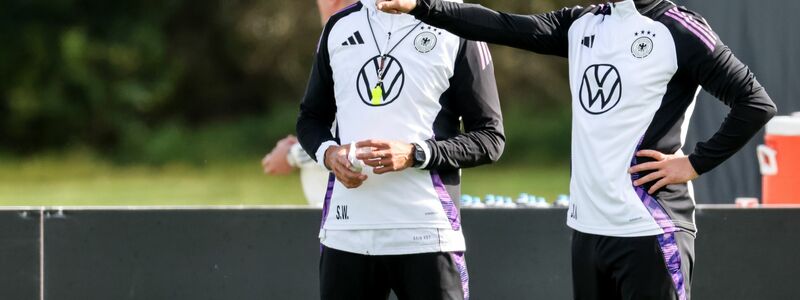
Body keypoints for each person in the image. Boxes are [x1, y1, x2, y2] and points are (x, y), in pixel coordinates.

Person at [375, 0, 776, 299]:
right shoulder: (583, 22)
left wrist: (693, 163)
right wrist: (420, 7)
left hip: (651, 228)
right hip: (588, 232)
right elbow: (503, 26)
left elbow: (755, 103)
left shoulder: (678, 28)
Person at [296, 0, 505, 298]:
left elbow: (489, 138)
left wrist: (415, 154)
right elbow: (310, 118)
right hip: (346, 235)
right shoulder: (338, 25)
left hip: (428, 236)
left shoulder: (459, 25)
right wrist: (330, 154)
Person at [261, 0, 359, 207]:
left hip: (355, 211)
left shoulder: (357, 49)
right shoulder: (334, 42)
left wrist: (291, 156)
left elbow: (351, 140)